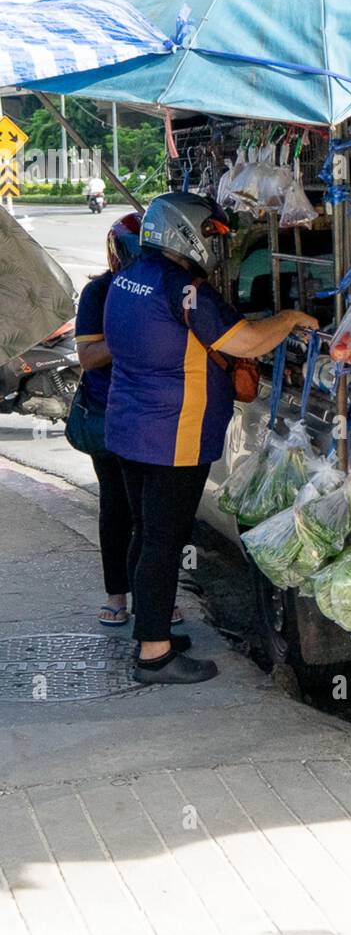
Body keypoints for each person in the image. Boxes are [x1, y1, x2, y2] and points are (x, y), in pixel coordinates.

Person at [103, 191, 318, 686]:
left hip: (131, 429)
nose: (211, 243)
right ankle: (154, 655)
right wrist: (289, 319)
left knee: (146, 531)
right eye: (207, 233)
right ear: (182, 230)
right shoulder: (185, 289)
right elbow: (244, 341)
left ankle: (148, 627)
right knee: (163, 540)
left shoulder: (128, 278)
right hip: (173, 436)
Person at [74, 212, 145, 628]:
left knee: (152, 512)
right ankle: (117, 594)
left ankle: (153, 596)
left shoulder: (162, 286)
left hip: (152, 414)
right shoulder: (98, 292)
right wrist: (135, 336)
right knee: (117, 505)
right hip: (108, 413)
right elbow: (87, 357)